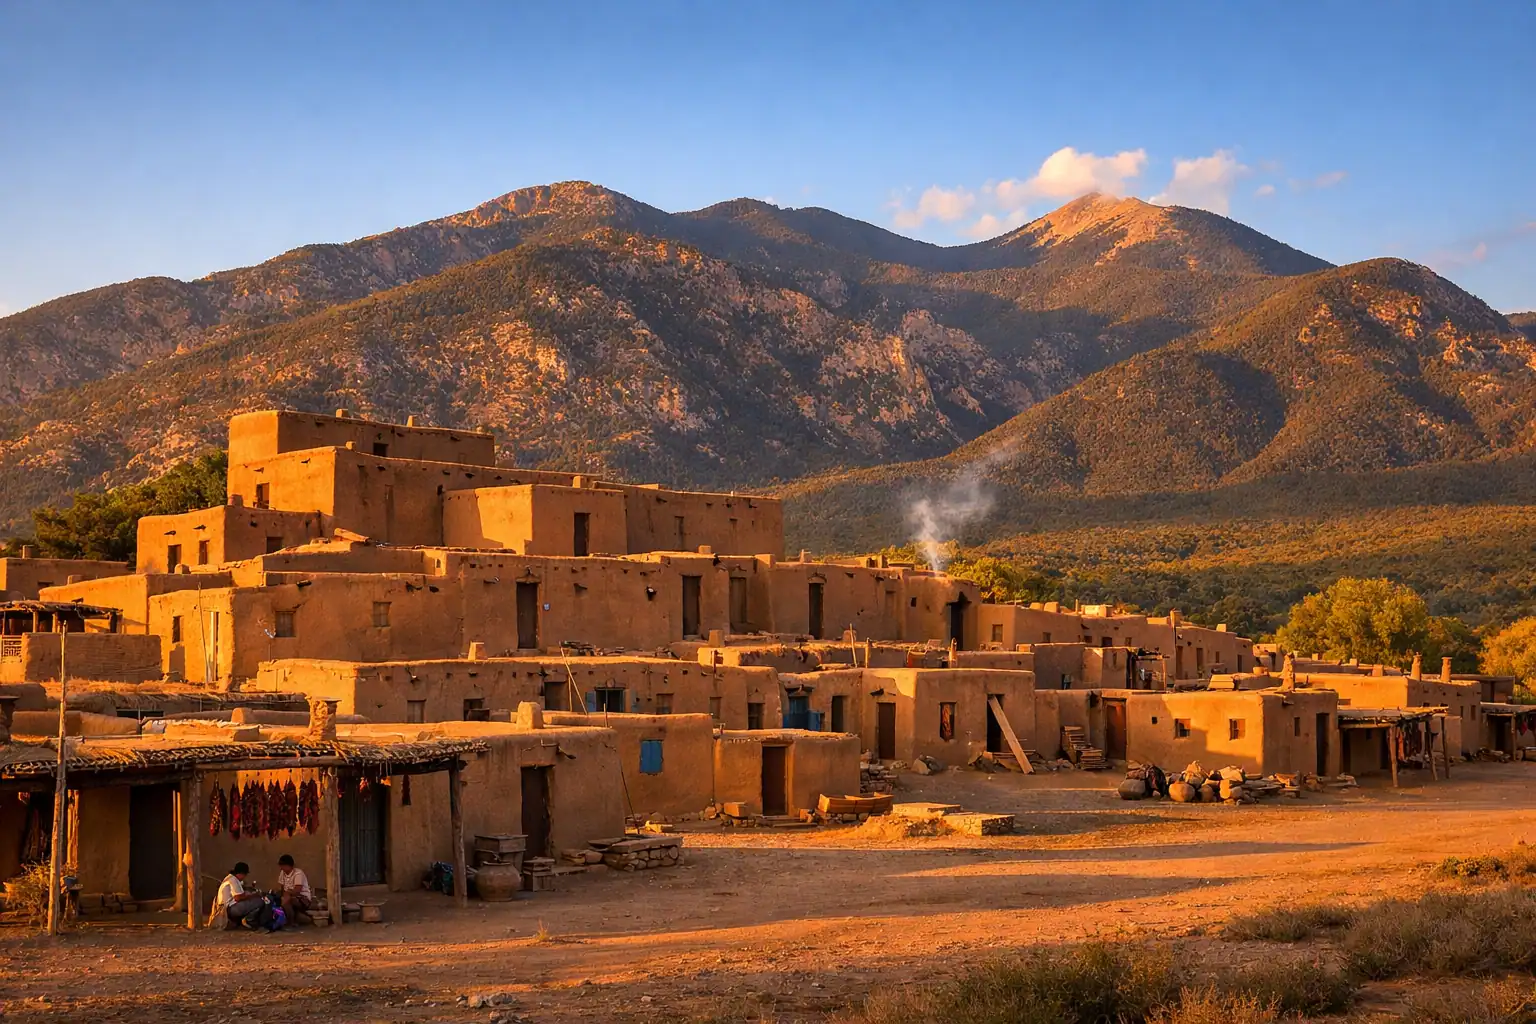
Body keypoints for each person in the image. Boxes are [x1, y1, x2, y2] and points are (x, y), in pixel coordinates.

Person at [214, 862, 267, 930]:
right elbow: (238, 897)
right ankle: (249, 921)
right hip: (230, 909)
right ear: (242, 874)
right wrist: (253, 895)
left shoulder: (230, 878)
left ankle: (238, 922)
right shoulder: (233, 880)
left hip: (226, 908)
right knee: (259, 902)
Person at [276, 854, 312, 925]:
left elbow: (297, 890)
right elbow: (282, 887)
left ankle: (290, 923)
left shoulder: (298, 873)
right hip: (289, 896)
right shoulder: (282, 873)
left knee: (288, 900)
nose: (281, 868)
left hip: (303, 899)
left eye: (283, 866)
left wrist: (287, 894)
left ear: (288, 866)